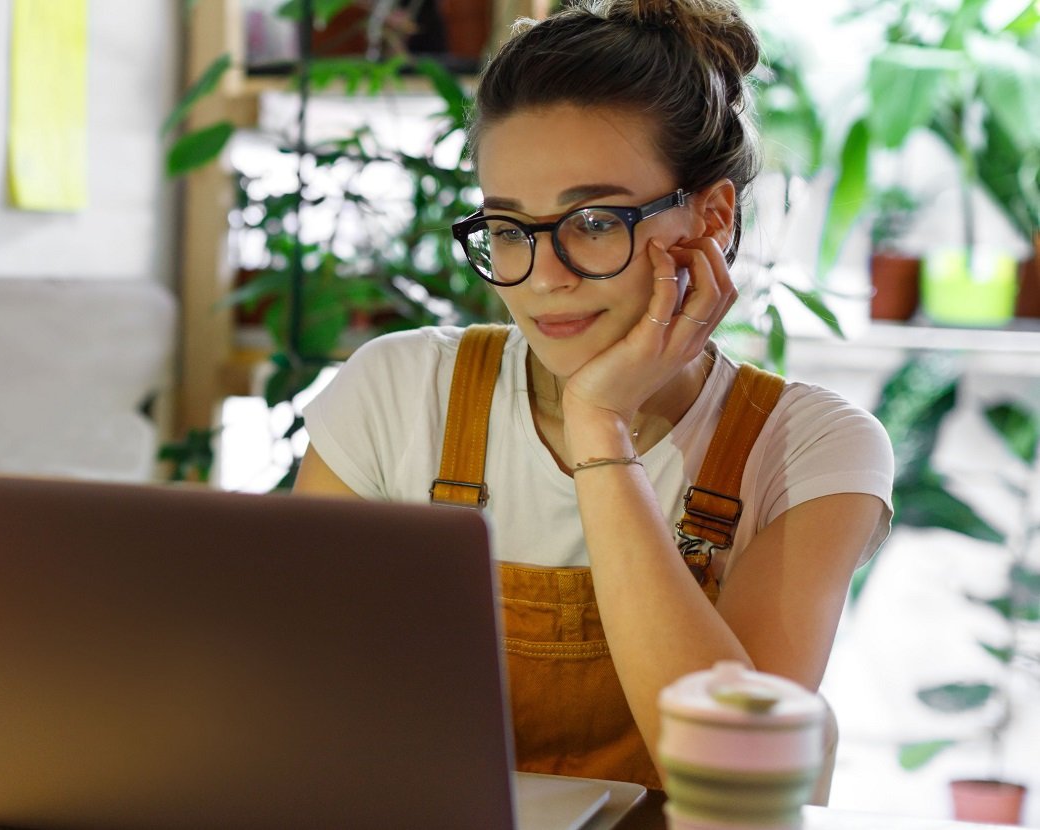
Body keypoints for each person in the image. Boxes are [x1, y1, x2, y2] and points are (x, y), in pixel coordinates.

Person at [293, 0, 894, 790]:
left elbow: (739, 773)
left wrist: (599, 424)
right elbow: (295, 706)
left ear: (711, 218)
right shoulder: (398, 392)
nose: (544, 276)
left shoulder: (810, 448)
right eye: (509, 228)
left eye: (595, 221)